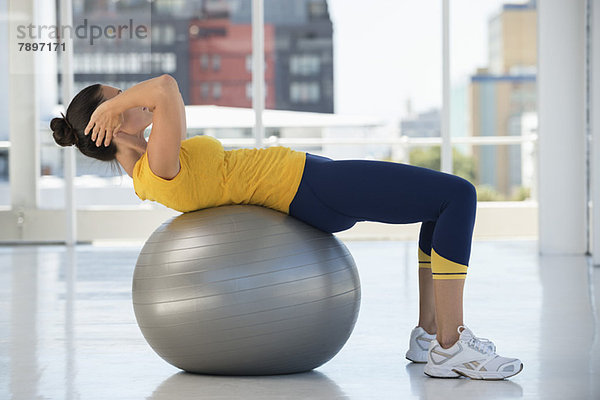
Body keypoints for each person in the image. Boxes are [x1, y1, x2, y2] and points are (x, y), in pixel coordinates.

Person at [50, 74, 522, 380]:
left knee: (437, 207)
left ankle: (428, 334)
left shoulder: (149, 171)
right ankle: (450, 344)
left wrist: (116, 107)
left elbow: (158, 97)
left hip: (310, 180)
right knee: (457, 194)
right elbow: (166, 88)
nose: (131, 96)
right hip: (311, 186)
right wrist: (116, 106)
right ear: (108, 127)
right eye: (118, 101)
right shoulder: (157, 166)